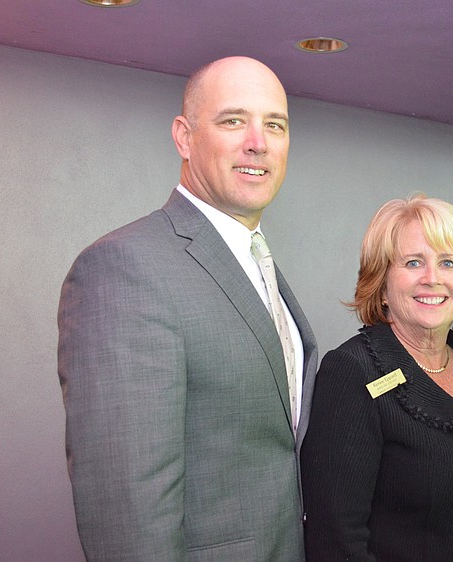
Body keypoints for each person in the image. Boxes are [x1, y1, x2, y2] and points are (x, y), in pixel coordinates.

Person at [57, 56, 318, 561]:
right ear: (184, 136)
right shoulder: (125, 267)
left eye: (275, 125)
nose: (257, 142)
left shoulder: (254, 258)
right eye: (233, 120)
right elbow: (126, 503)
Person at [301, 194, 453, 562]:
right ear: (381, 284)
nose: (432, 279)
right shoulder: (353, 371)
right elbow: (336, 540)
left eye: (448, 262)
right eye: (413, 262)